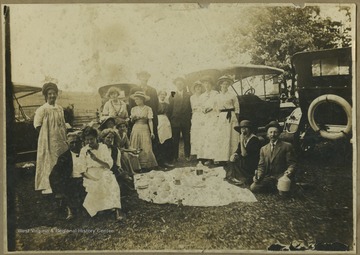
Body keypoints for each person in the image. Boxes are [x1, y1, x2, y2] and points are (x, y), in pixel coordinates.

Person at [79, 126, 124, 221]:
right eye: (87, 140)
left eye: (92, 139)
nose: (90, 142)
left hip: (103, 170)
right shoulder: (83, 150)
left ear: (96, 138)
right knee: (97, 184)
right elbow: (82, 171)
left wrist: (96, 159)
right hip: (90, 174)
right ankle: (102, 209)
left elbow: (109, 165)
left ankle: (117, 209)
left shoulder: (103, 147)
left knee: (111, 182)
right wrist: (93, 178)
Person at [33, 82, 68, 194]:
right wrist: (46, 136)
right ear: (46, 95)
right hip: (48, 139)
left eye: (54, 93)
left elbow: (62, 123)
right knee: (49, 159)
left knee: (61, 158)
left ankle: (61, 183)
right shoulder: (42, 109)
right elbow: (37, 125)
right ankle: (49, 184)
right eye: (50, 94)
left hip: (60, 138)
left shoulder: (60, 108)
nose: (52, 96)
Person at [250, 121, 296, 193]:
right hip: (269, 177)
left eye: (275, 132)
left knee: (283, 191)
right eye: (270, 132)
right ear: (267, 134)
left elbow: (292, 163)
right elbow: (261, 166)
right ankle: (275, 187)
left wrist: (289, 171)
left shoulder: (286, 146)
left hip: (282, 176)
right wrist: (258, 176)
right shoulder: (263, 149)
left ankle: (281, 187)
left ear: (279, 133)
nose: (273, 134)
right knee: (253, 187)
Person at [50, 132, 86, 220]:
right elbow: (54, 174)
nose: (74, 145)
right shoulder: (64, 157)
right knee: (69, 191)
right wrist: (59, 186)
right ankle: (70, 210)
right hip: (71, 180)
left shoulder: (86, 153)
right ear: (67, 143)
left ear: (81, 142)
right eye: (71, 143)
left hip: (85, 179)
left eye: (77, 142)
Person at [224, 120, 261, 185]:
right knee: (231, 160)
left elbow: (244, 154)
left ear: (250, 129)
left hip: (251, 164)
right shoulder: (244, 138)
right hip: (244, 161)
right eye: (242, 128)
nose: (243, 130)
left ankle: (242, 178)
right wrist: (234, 154)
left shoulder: (254, 140)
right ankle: (234, 177)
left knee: (237, 162)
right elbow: (238, 150)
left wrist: (241, 141)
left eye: (246, 128)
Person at [214, 75, 240, 163]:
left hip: (231, 116)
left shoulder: (232, 95)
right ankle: (222, 157)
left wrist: (236, 117)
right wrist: (218, 117)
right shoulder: (217, 96)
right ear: (220, 85)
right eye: (223, 84)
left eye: (226, 84)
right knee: (222, 136)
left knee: (232, 135)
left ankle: (232, 156)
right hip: (222, 117)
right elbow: (216, 108)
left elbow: (237, 107)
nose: (225, 86)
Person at [129, 91, 158, 170]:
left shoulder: (148, 108)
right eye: (135, 100)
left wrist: (152, 132)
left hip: (144, 127)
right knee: (135, 145)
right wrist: (133, 118)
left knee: (146, 146)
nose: (136, 101)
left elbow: (150, 121)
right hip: (136, 128)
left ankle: (146, 165)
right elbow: (131, 121)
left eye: (137, 99)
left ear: (142, 99)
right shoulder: (133, 109)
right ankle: (136, 165)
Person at [196, 76, 219, 165]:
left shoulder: (215, 94)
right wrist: (202, 109)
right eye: (205, 83)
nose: (207, 85)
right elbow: (199, 106)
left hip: (213, 117)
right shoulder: (202, 96)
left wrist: (211, 108)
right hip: (205, 118)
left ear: (211, 85)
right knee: (206, 137)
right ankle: (206, 157)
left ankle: (214, 157)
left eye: (208, 83)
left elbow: (218, 105)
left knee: (213, 137)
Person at [168, 77, 192, 162]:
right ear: (175, 85)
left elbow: (190, 107)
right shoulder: (172, 94)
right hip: (175, 120)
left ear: (184, 84)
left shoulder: (188, 94)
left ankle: (187, 155)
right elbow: (170, 108)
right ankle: (175, 157)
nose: (179, 85)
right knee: (175, 139)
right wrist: (171, 118)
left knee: (187, 138)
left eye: (181, 84)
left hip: (185, 120)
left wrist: (189, 118)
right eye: (178, 84)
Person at [157, 90, 174, 167]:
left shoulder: (167, 105)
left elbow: (169, 113)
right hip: (158, 121)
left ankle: (167, 159)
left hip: (166, 121)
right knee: (160, 140)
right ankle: (160, 160)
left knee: (167, 139)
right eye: (161, 94)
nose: (162, 96)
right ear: (158, 95)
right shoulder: (156, 104)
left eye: (164, 95)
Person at [190, 81, 205, 157]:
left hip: (202, 115)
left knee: (202, 133)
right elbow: (193, 108)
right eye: (196, 87)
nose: (198, 88)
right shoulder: (192, 97)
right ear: (194, 89)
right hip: (196, 116)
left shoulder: (204, 96)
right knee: (196, 133)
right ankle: (196, 152)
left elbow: (204, 106)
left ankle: (202, 152)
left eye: (199, 87)